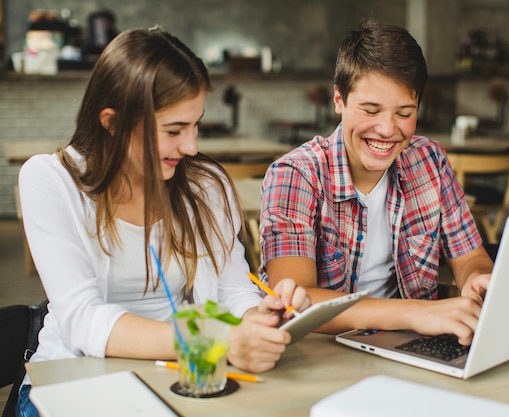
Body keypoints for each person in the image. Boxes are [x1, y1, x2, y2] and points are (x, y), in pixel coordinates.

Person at [17, 27, 309, 417]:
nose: (191, 146)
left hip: (183, 378)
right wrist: (216, 338)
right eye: (174, 130)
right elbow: (83, 321)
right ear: (112, 122)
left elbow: (235, 295)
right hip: (74, 382)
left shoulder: (206, 185)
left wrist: (262, 319)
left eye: (195, 125)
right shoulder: (50, 181)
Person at [259, 19, 493, 348]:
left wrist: (477, 278)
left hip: (411, 345)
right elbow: (296, 301)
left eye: (404, 113)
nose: (386, 129)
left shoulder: (429, 160)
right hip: (322, 352)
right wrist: (415, 313)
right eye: (371, 110)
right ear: (338, 99)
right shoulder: (296, 175)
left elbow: (470, 258)